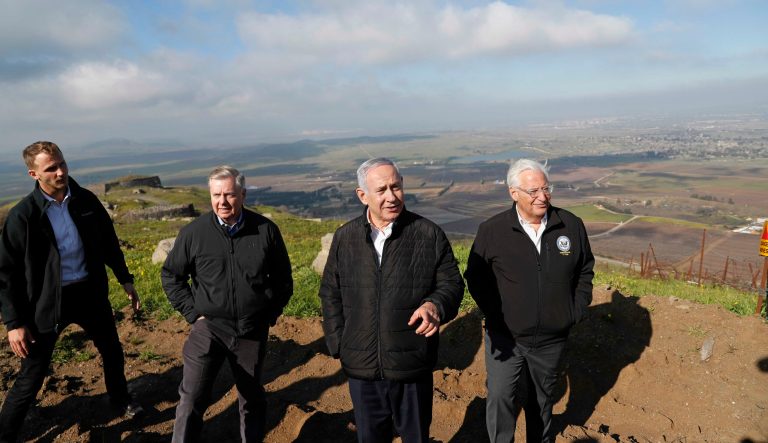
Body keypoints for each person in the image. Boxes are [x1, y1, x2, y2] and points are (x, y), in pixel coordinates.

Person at [0, 141, 143, 442]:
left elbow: (108, 242)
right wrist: (14, 324)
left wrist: (124, 278)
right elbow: (6, 274)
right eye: (51, 168)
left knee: (112, 351)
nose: (60, 171)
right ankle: (6, 433)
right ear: (33, 174)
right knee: (32, 373)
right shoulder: (23, 217)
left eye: (62, 163)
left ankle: (120, 400)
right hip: (47, 302)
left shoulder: (86, 200)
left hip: (89, 293)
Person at [319, 157, 464, 443]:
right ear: (363, 195)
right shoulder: (345, 238)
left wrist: (435, 304)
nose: (391, 196)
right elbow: (330, 293)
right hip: (362, 368)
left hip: (411, 363)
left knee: (416, 438)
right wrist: (341, 345)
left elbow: (452, 284)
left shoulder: (428, 234)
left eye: (396, 187)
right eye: (381, 190)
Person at [464, 158, 594, 443]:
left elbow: (585, 270)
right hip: (505, 338)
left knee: (542, 402)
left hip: (551, 339)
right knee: (501, 400)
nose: (542, 196)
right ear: (514, 194)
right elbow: (476, 277)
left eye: (546, 189)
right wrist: (497, 316)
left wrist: (574, 311)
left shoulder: (570, 225)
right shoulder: (493, 230)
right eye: (533, 191)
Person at [161, 165, 293, 442]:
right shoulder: (194, 233)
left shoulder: (265, 230)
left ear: (243, 195)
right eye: (216, 195)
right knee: (191, 398)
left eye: (229, 195)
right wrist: (193, 313)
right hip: (208, 328)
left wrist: (269, 313)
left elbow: (283, 279)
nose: (222, 202)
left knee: (251, 398)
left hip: (250, 330)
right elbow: (172, 275)